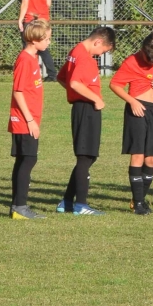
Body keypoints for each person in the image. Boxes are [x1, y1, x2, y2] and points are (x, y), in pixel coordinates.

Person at [110, 31, 153, 215]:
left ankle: (139, 199)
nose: (152, 63)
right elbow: (114, 84)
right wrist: (132, 101)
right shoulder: (131, 62)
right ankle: (138, 204)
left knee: (152, 158)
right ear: (143, 50)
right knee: (138, 155)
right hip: (137, 109)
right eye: (149, 60)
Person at [58, 26, 116, 215]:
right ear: (98, 41)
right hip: (86, 109)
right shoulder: (85, 58)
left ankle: (67, 201)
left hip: (81, 107)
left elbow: (62, 78)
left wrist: (75, 94)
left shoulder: (75, 51)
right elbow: (74, 83)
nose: (100, 55)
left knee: (88, 156)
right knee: (85, 156)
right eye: (103, 51)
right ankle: (81, 205)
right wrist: (95, 98)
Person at [9, 20, 53, 219]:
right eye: (46, 39)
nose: (48, 42)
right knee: (28, 159)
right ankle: (20, 207)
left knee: (24, 159)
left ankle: (17, 206)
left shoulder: (33, 58)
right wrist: (30, 120)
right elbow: (18, 92)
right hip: (23, 120)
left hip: (28, 119)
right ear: (34, 40)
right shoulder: (25, 60)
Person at [18, 0, 56, 78]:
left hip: (31, 20)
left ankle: (30, 73)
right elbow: (48, 3)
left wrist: (20, 20)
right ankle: (52, 74)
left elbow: (25, 3)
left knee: (29, 47)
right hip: (44, 20)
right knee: (43, 47)